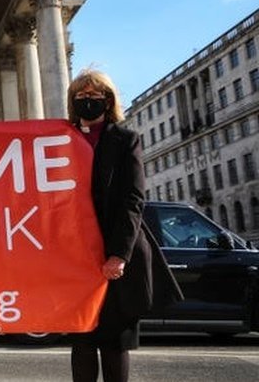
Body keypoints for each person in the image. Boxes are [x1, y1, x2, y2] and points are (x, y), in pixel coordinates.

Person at [67, 69, 182, 382]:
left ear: (108, 101)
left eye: (94, 96)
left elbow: (133, 199)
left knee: (116, 343)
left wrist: (119, 254)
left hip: (115, 254)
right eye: (80, 96)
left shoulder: (125, 139)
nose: (87, 101)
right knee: (83, 341)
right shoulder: (62, 139)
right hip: (77, 255)